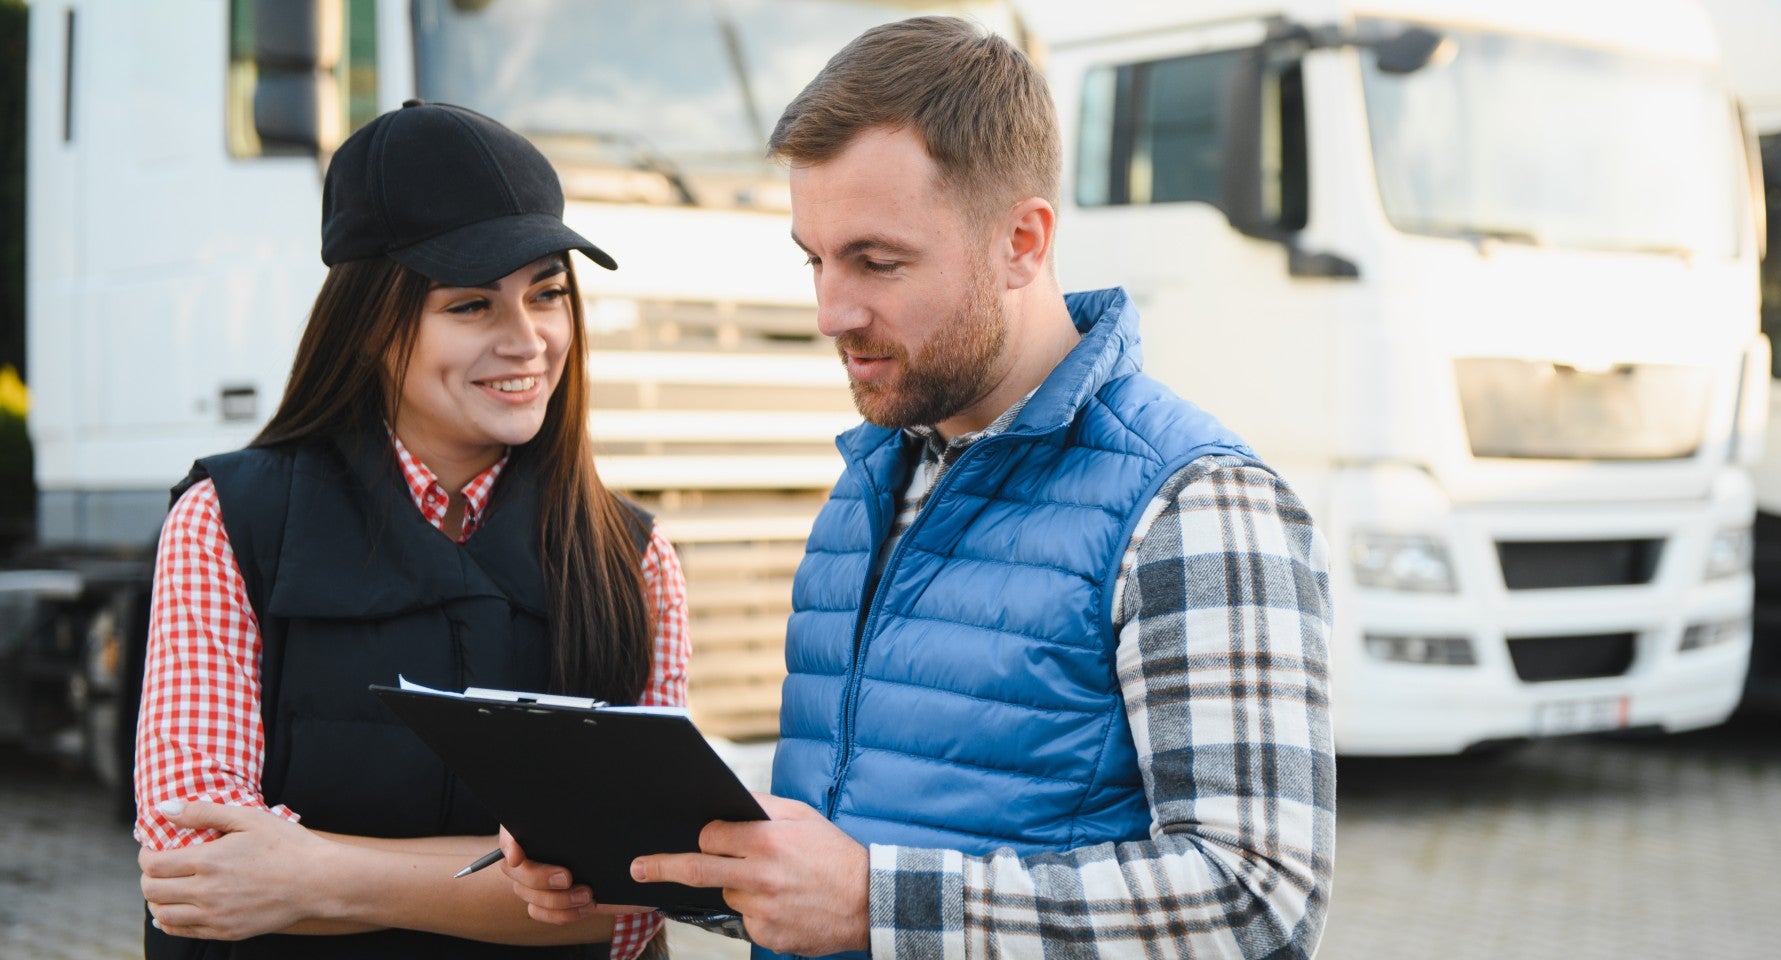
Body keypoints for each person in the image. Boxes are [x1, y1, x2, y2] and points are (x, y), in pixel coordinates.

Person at [504, 15, 1334, 959]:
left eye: (877, 262)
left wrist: (876, 902)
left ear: (1022, 240)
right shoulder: (867, 485)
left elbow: (1257, 901)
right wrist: (618, 848)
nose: (830, 311)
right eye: (815, 259)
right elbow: (826, 873)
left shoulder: (1197, 504)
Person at [132, 100, 688, 960]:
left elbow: (640, 896)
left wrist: (313, 875)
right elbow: (195, 870)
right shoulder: (226, 524)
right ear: (369, 326)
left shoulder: (634, 560)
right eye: (471, 305)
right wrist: (521, 886)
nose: (528, 341)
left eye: (547, 294)